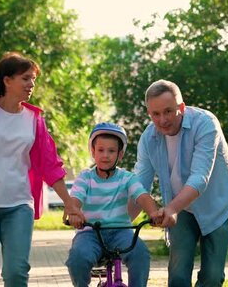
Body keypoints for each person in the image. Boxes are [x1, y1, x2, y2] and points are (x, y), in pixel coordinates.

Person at [0, 52, 81, 287]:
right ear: (7, 80)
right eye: (26, 78)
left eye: (33, 79)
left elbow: (50, 164)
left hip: (18, 206)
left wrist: (69, 202)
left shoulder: (34, 119)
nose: (31, 84)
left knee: (16, 273)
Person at [131, 79, 228, 287]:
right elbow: (139, 185)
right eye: (156, 114)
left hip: (217, 206)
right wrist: (118, 222)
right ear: (149, 113)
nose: (162, 120)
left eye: (168, 111)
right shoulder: (149, 138)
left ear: (181, 107)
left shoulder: (206, 123)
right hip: (182, 211)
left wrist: (171, 208)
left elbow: (200, 178)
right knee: (178, 276)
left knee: (212, 277)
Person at [65, 122, 160, 287]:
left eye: (111, 151)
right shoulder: (85, 177)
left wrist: (154, 213)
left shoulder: (127, 178)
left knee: (141, 253)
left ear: (120, 154)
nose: (105, 155)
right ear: (93, 152)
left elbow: (142, 196)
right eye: (100, 150)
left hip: (121, 232)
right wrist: (73, 212)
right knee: (77, 257)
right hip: (90, 232)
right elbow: (75, 198)